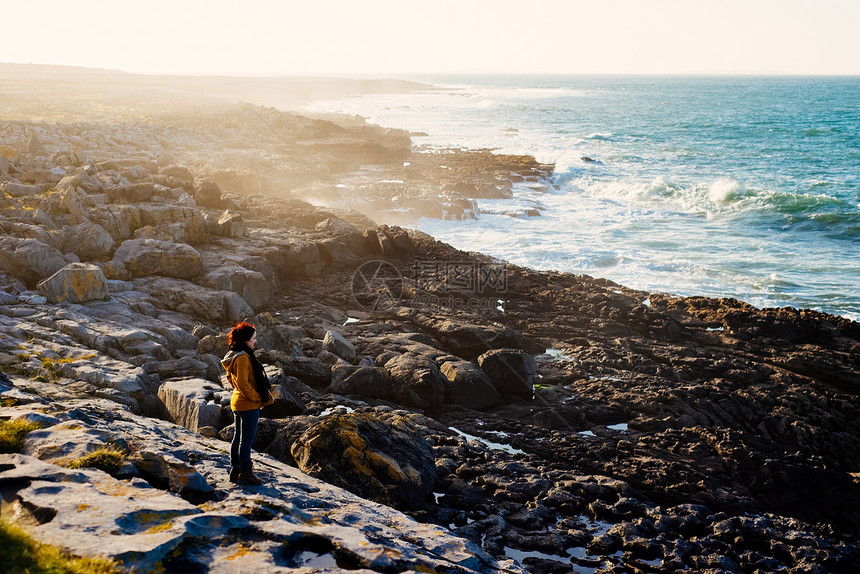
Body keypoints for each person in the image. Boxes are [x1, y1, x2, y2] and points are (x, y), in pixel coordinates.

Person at [221, 322, 272, 485]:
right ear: (245, 340)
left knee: (238, 438)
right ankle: (245, 473)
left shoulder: (234, 355)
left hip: (238, 402)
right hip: (248, 404)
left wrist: (242, 391)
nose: (255, 341)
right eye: (253, 338)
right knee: (246, 440)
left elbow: (231, 378)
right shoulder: (243, 357)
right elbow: (243, 383)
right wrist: (258, 398)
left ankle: (235, 470)